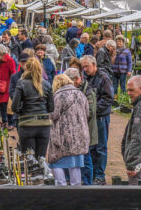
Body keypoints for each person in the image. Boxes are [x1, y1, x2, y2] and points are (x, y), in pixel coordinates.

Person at [75, 55, 113, 185]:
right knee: (90, 146)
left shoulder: (103, 78)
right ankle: (91, 174)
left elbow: (108, 98)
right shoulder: (86, 78)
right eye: (83, 67)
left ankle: (99, 175)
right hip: (90, 118)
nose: (84, 69)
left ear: (94, 64)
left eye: (86, 66)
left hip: (101, 118)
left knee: (100, 147)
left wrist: (93, 110)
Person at [47, 74, 90, 186]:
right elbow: (87, 113)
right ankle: (76, 189)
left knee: (55, 162)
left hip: (63, 135)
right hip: (80, 134)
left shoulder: (58, 96)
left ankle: (61, 186)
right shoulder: (81, 94)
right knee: (75, 164)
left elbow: (53, 114)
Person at [12, 58, 53, 158]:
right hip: (44, 125)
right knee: (41, 158)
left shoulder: (21, 83)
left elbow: (14, 106)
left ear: (26, 68)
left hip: (27, 123)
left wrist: (22, 111)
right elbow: (51, 107)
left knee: (29, 160)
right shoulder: (47, 84)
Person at [64, 65, 98, 185]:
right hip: (74, 131)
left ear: (77, 79)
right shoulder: (73, 90)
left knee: (86, 157)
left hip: (85, 131)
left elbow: (90, 112)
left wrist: (73, 116)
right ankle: (72, 181)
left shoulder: (88, 91)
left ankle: (87, 182)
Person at [0, 44, 17, 127]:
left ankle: (11, 123)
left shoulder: (10, 60)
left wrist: (12, 86)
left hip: (7, 86)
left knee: (7, 106)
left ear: (0, 51)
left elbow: (13, 73)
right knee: (1, 105)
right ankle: (4, 121)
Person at [8, 53, 29, 129]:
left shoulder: (35, 76)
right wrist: (18, 100)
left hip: (31, 110)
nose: (24, 63)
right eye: (22, 62)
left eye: (26, 61)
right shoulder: (15, 76)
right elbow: (11, 91)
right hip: (19, 109)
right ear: (19, 62)